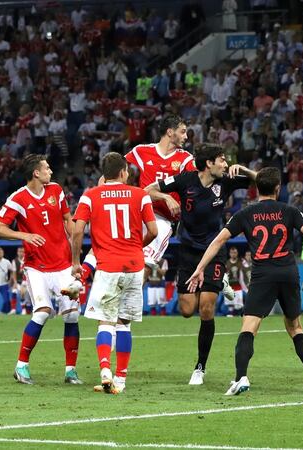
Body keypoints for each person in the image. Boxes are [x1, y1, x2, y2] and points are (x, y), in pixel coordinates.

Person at [186, 167, 303, 395]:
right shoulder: (289, 210)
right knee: (295, 327)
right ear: (278, 188)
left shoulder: (245, 214)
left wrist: (200, 267)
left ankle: (241, 377)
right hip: (288, 272)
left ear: (255, 189)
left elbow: (218, 241)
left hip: (263, 274)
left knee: (249, 327)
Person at [146, 144, 255, 385]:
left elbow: (266, 183)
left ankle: (200, 367)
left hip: (214, 250)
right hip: (187, 252)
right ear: (208, 164)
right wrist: (166, 197)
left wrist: (245, 170)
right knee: (187, 310)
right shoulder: (185, 180)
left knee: (206, 308)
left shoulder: (226, 182)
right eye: (222, 160)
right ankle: (222, 282)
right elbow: (148, 190)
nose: (226, 164)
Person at [71, 152, 158, 394]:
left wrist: (76, 261)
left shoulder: (90, 196)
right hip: (134, 267)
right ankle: (120, 379)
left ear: (104, 174)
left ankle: (105, 370)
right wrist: (136, 246)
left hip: (108, 266)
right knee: (124, 324)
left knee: (105, 321)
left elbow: (77, 231)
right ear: (123, 172)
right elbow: (153, 230)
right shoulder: (140, 195)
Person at [0, 154, 84, 385]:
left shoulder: (56, 190)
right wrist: (24, 235)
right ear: (36, 172)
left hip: (63, 264)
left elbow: (68, 220)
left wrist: (75, 256)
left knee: (72, 316)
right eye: (47, 168)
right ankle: (21, 366)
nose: (51, 171)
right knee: (42, 311)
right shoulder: (18, 199)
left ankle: (70, 371)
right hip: (37, 268)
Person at [79, 115, 193, 286]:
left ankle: (125, 302)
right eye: (183, 132)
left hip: (161, 219)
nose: (186, 136)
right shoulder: (142, 151)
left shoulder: (185, 159)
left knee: (144, 263)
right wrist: (101, 197)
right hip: (135, 212)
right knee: (106, 243)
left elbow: (196, 184)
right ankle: (80, 279)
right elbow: (109, 175)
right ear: (170, 132)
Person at [221, 247, 247, 316]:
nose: (233, 254)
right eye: (232, 253)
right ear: (229, 254)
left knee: (238, 305)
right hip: (229, 287)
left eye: (235, 253)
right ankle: (230, 315)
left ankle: (237, 314)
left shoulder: (241, 262)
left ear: (237, 253)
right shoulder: (227, 263)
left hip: (238, 286)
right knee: (230, 305)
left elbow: (247, 269)